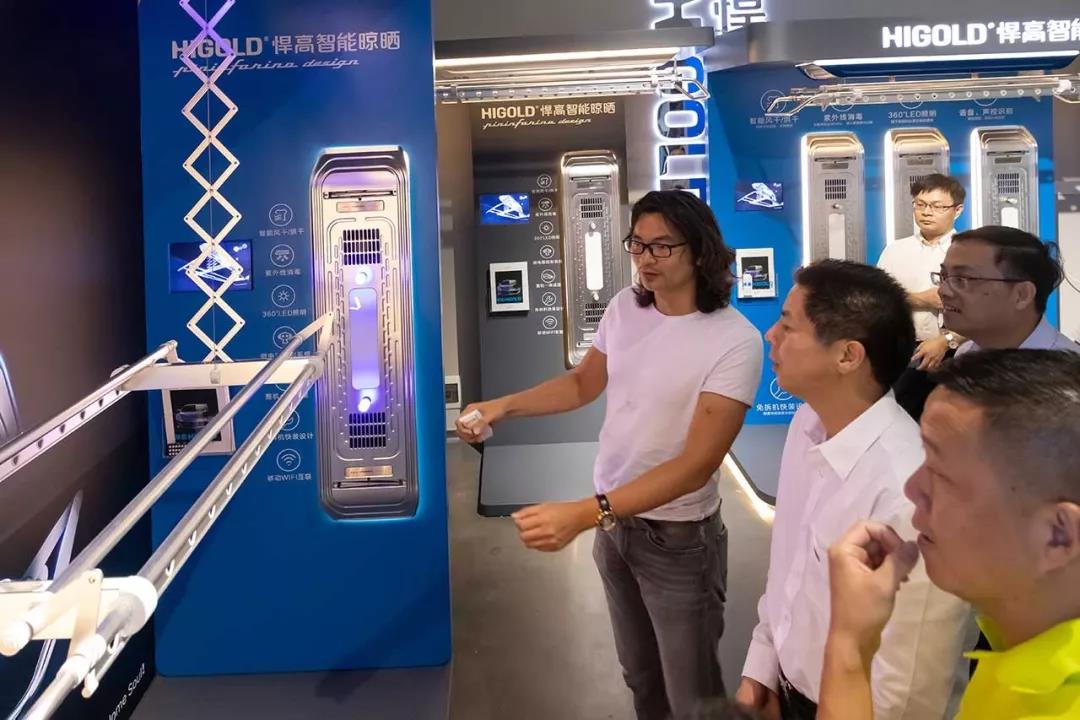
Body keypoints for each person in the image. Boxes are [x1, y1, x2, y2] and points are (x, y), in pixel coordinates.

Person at [456, 190, 763, 719]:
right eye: (637, 244)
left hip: (679, 541)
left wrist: (585, 513)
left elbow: (695, 467)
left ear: (700, 250)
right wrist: (501, 406)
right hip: (616, 531)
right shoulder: (625, 307)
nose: (645, 258)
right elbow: (582, 384)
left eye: (662, 246)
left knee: (694, 699)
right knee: (641, 679)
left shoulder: (735, 340)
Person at [735, 260, 970, 720]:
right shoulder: (808, 422)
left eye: (788, 326)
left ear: (848, 356)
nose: (770, 335)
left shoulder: (908, 491)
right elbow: (787, 568)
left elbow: (906, 690)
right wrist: (761, 668)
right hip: (788, 690)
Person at [820, 349, 1080, 720]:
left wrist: (848, 646)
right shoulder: (1022, 643)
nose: (912, 488)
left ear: (1058, 535)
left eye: (941, 473)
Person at [893, 225, 1077, 421]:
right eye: (944, 276)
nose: (943, 291)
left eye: (963, 279)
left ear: (1022, 295)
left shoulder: (1069, 380)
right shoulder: (967, 353)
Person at [876, 174, 965, 370]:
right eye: (920, 204)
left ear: (957, 210)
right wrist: (920, 299)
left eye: (937, 206)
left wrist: (946, 341)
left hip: (956, 351)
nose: (926, 212)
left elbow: (987, 312)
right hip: (902, 351)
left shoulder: (969, 252)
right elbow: (876, 299)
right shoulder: (895, 250)